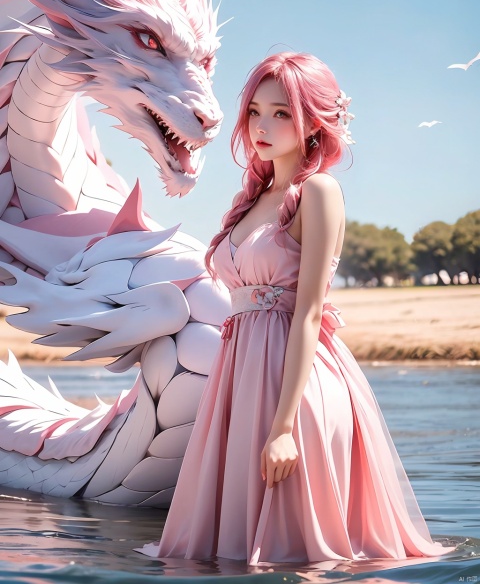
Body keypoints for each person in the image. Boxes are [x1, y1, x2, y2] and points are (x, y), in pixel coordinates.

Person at [137, 52, 456, 565]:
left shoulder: (319, 192)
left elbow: (309, 312)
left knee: (301, 557)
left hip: (295, 385)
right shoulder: (253, 199)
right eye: (256, 111)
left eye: (282, 113)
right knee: (235, 553)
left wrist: (283, 426)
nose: (263, 126)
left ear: (314, 121)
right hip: (239, 379)